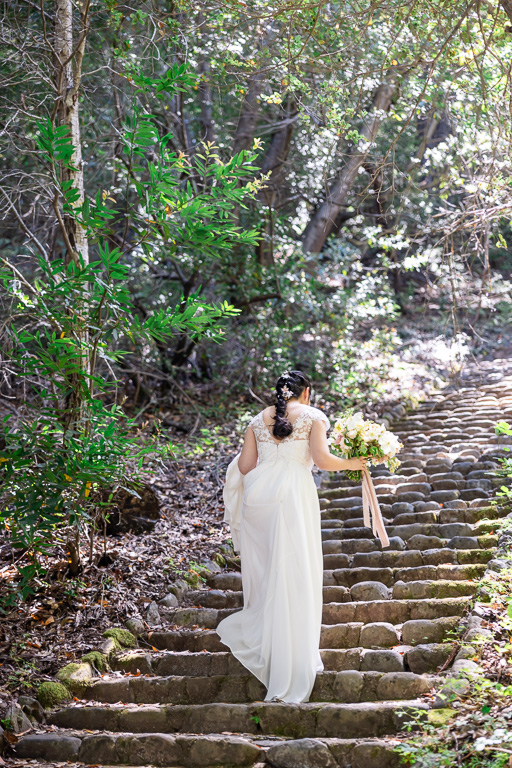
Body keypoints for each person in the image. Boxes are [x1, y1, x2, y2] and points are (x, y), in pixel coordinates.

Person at [217, 370, 367, 703]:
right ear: (306, 392)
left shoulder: (256, 420)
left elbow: (244, 467)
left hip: (259, 500)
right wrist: (357, 462)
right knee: (295, 571)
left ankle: (270, 640)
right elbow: (323, 461)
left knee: (270, 570)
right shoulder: (314, 416)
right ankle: (289, 652)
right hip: (293, 497)